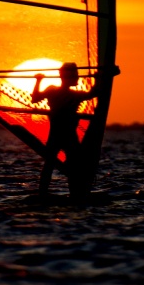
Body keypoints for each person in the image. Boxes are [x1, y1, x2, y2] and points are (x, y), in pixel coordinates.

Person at [32, 61, 118, 198]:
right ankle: (73, 195)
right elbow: (94, 92)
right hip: (66, 137)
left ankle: (43, 194)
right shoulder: (69, 94)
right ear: (69, 78)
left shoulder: (55, 91)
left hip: (58, 136)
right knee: (71, 168)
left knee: (51, 166)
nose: (78, 78)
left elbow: (35, 98)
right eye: (75, 76)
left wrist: (38, 81)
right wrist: (101, 78)